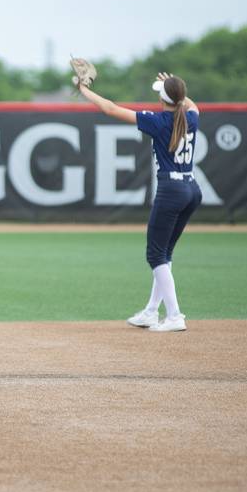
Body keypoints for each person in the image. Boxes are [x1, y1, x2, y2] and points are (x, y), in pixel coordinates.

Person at [77, 72, 202, 332]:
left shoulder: (159, 121)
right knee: (165, 253)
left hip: (171, 189)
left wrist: (84, 89)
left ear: (162, 97)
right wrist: (177, 90)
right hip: (191, 189)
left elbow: (110, 109)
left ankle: (175, 316)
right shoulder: (189, 116)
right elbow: (193, 106)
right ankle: (151, 311)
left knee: (155, 254)